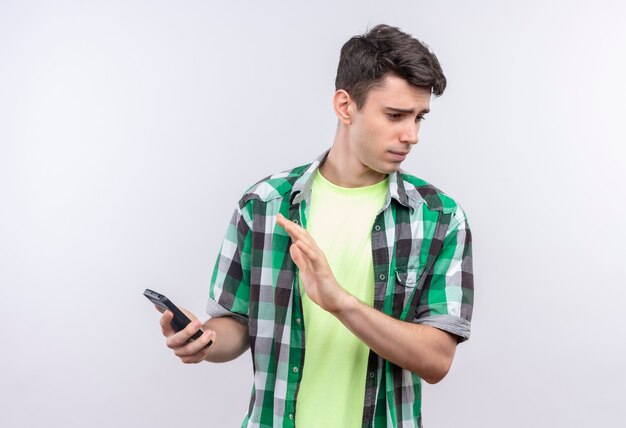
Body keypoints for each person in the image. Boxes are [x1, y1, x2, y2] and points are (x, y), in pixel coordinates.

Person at [158, 24, 474, 428]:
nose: (410, 135)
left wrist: (340, 302)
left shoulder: (439, 217)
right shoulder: (264, 204)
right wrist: (204, 341)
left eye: (419, 118)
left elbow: (436, 361)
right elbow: (235, 323)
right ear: (346, 106)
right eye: (395, 115)